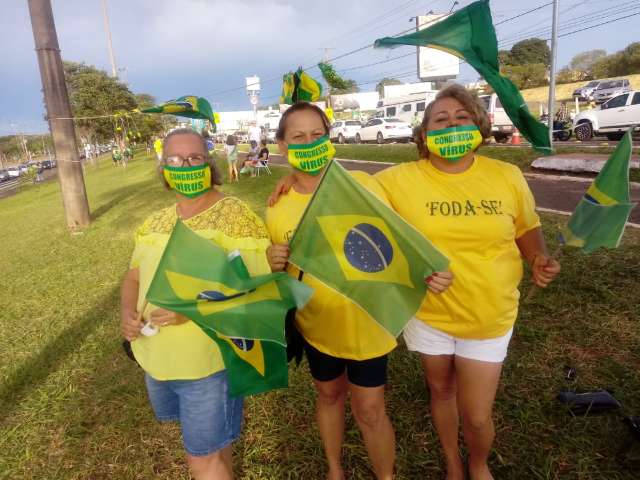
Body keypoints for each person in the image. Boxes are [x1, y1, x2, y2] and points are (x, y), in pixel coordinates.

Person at [374, 84, 561, 480]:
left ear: (479, 126)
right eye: (440, 119)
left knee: (476, 416)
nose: (452, 124)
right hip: (428, 312)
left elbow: (527, 227)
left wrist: (537, 258)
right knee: (440, 390)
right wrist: (293, 183)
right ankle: (453, 462)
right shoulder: (397, 180)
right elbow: (343, 194)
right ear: (424, 134)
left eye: (462, 117)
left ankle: (478, 462)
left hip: (488, 313)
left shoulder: (506, 175)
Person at [265, 102, 452, 480]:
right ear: (282, 146)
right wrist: (271, 260)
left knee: (370, 410)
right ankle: (335, 469)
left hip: (368, 325)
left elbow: (403, 240)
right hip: (316, 327)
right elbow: (279, 277)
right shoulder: (276, 206)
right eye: (298, 136)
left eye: (317, 134)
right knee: (329, 396)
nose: (309, 142)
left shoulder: (365, 186)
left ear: (329, 139)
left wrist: (431, 271)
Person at [120, 128, 271, 480]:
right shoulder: (156, 221)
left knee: (201, 460)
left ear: (209, 164)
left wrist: (193, 310)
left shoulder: (234, 216)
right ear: (163, 168)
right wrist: (126, 313)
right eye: (173, 159)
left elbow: (258, 289)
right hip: (157, 358)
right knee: (213, 450)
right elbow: (133, 277)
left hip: (208, 364)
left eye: (194, 158)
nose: (183, 165)